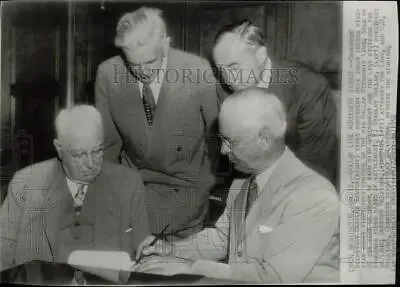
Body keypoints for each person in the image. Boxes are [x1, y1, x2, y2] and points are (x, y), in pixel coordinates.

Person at [135, 88, 340, 283]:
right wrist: (172, 250)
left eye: (231, 141)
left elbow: (274, 277)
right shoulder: (244, 184)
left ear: (265, 139)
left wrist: (190, 268)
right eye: (222, 140)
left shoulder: (313, 195)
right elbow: (220, 239)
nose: (223, 150)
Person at [95, 7, 220, 238]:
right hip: (133, 192)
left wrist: (206, 184)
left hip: (187, 192)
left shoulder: (197, 70)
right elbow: (108, 146)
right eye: (133, 64)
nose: (142, 72)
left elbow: (218, 138)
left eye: (150, 62)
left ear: (166, 44)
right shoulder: (108, 74)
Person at [0, 105, 152, 271]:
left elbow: (144, 256)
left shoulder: (129, 183)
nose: (91, 163)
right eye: (80, 155)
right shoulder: (26, 184)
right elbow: (2, 254)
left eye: (97, 151)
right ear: (59, 148)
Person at [212, 20, 338, 186]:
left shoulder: (310, 87)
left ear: (261, 55)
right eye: (221, 70)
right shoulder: (223, 91)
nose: (228, 79)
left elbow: (315, 166)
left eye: (234, 67)